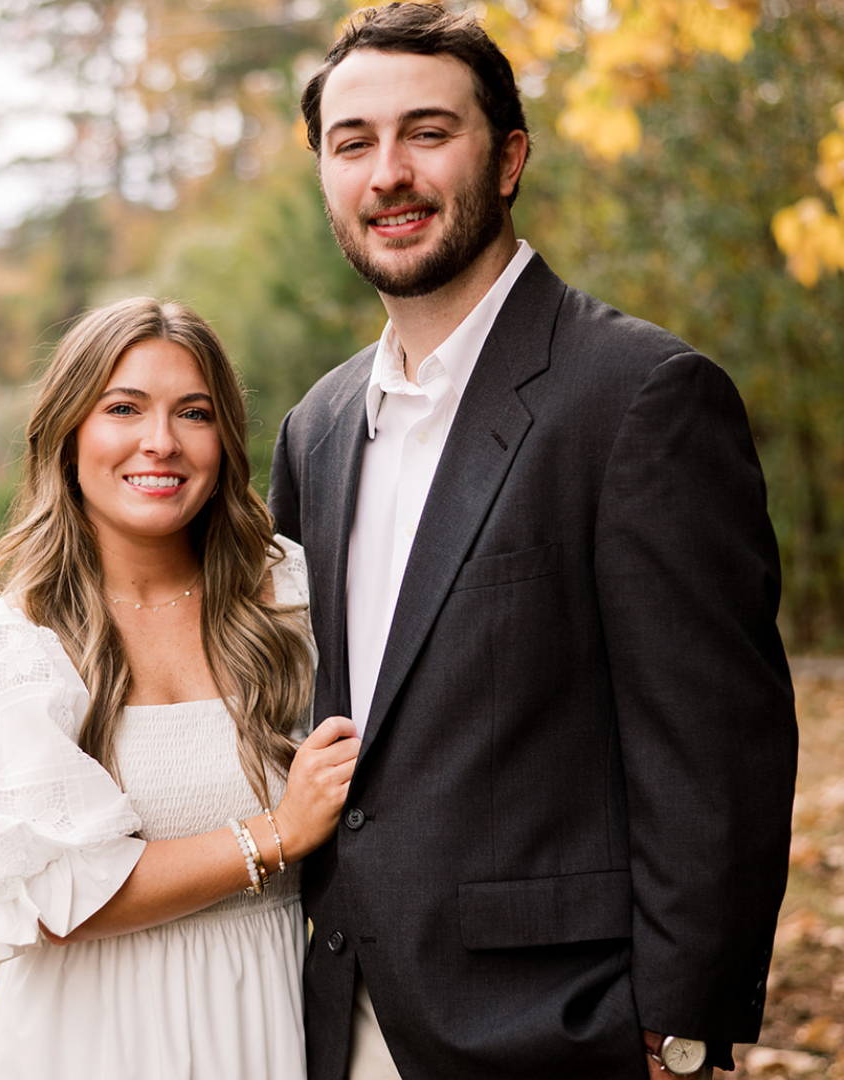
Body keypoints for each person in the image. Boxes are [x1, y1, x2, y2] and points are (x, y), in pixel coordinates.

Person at [268, 6, 798, 1079]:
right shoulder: (314, 428)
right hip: (338, 1017)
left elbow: (717, 751)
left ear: (508, 158)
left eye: (428, 133)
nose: (389, 174)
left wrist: (682, 1033)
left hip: (563, 1028)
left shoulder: (641, 397)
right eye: (353, 143)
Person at [0, 297, 360, 1080]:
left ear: (224, 439)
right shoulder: (9, 645)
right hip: (89, 1036)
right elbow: (59, 899)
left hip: (265, 1016)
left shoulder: (289, 595)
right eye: (124, 408)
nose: (161, 442)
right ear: (68, 433)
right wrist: (277, 832)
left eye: (194, 413)